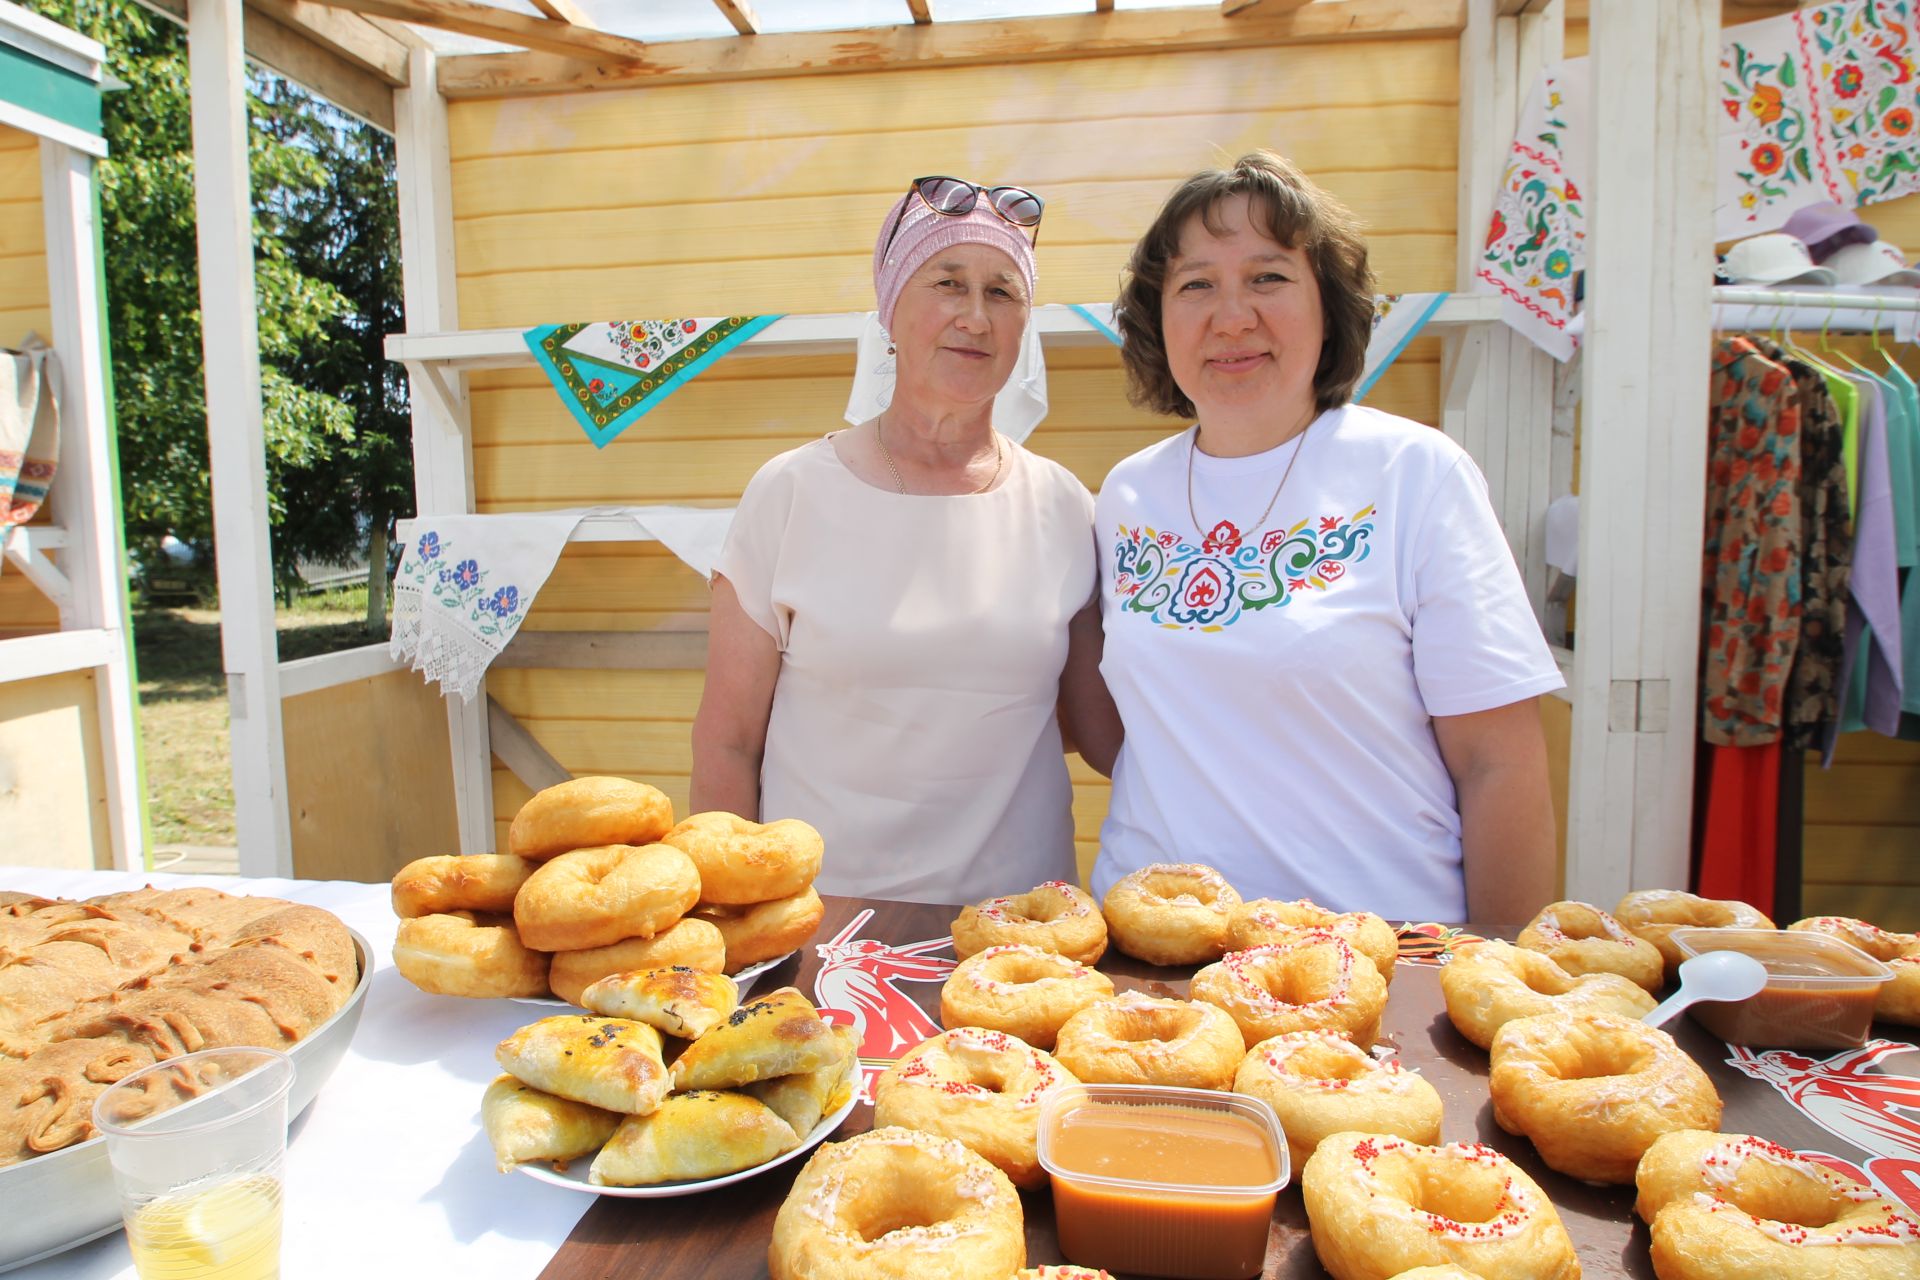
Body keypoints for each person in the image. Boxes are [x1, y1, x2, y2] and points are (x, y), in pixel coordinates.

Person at [1090, 151, 1563, 923]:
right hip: (1158, 943)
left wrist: (1499, 962)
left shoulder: (1414, 474)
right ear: (1157, 317)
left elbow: (1498, 763)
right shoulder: (1127, 494)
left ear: (1329, 306)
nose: (1232, 317)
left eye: (1269, 277)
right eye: (1196, 284)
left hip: (1373, 947)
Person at [691, 176, 1115, 905]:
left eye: (1002, 292)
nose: (975, 317)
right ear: (890, 309)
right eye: (947, 284)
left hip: (1020, 927)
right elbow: (728, 741)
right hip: (825, 922)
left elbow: (1097, 731)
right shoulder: (790, 492)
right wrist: (734, 917)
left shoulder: (1064, 505)